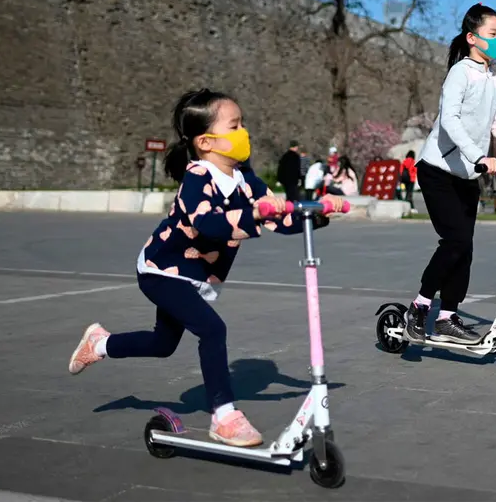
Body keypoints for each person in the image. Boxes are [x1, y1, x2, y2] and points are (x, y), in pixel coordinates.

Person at [66, 89, 343, 448]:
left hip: (194, 276)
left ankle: (100, 344)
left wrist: (317, 212)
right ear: (207, 141)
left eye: (243, 124)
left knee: (163, 343)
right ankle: (224, 415)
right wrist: (256, 213)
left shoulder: (244, 178)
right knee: (212, 330)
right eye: (235, 125)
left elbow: (279, 219)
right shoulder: (198, 176)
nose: (244, 132)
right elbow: (208, 223)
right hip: (162, 270)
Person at [405, 3, 496, 344]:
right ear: (472, 38)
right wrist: (478, 155)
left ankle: (447, 316)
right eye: (492, 34)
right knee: (453, 240)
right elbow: (449, 120)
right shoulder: (460, 73)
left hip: (468, 175)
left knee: (464, 247)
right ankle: (419, 307)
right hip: (437, 170)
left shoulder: (495, 81)